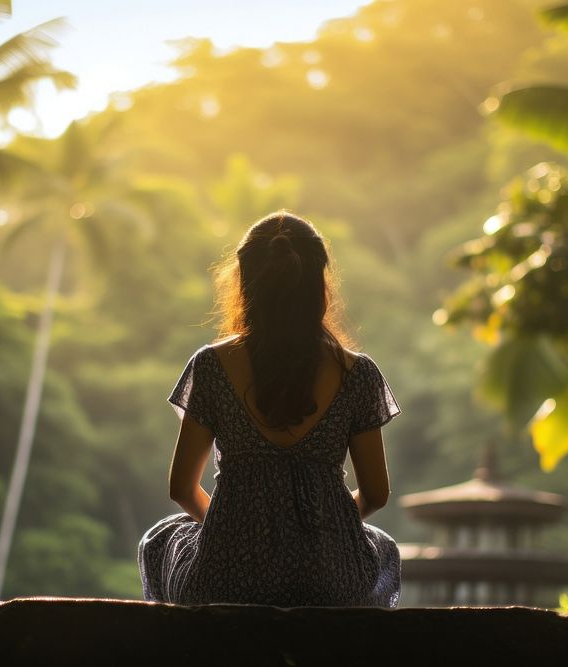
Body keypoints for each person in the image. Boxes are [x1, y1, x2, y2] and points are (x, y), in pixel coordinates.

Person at [139, 210, 401, 607]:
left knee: (159, 540)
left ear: (245, 282)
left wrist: (232, 527)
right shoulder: (358, 373)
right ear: (319, 283)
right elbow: (376, 494)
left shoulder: (210, 365)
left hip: (226, 577)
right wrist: (325, 524)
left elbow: (181, 489)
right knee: (384, 551)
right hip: (329, 579)